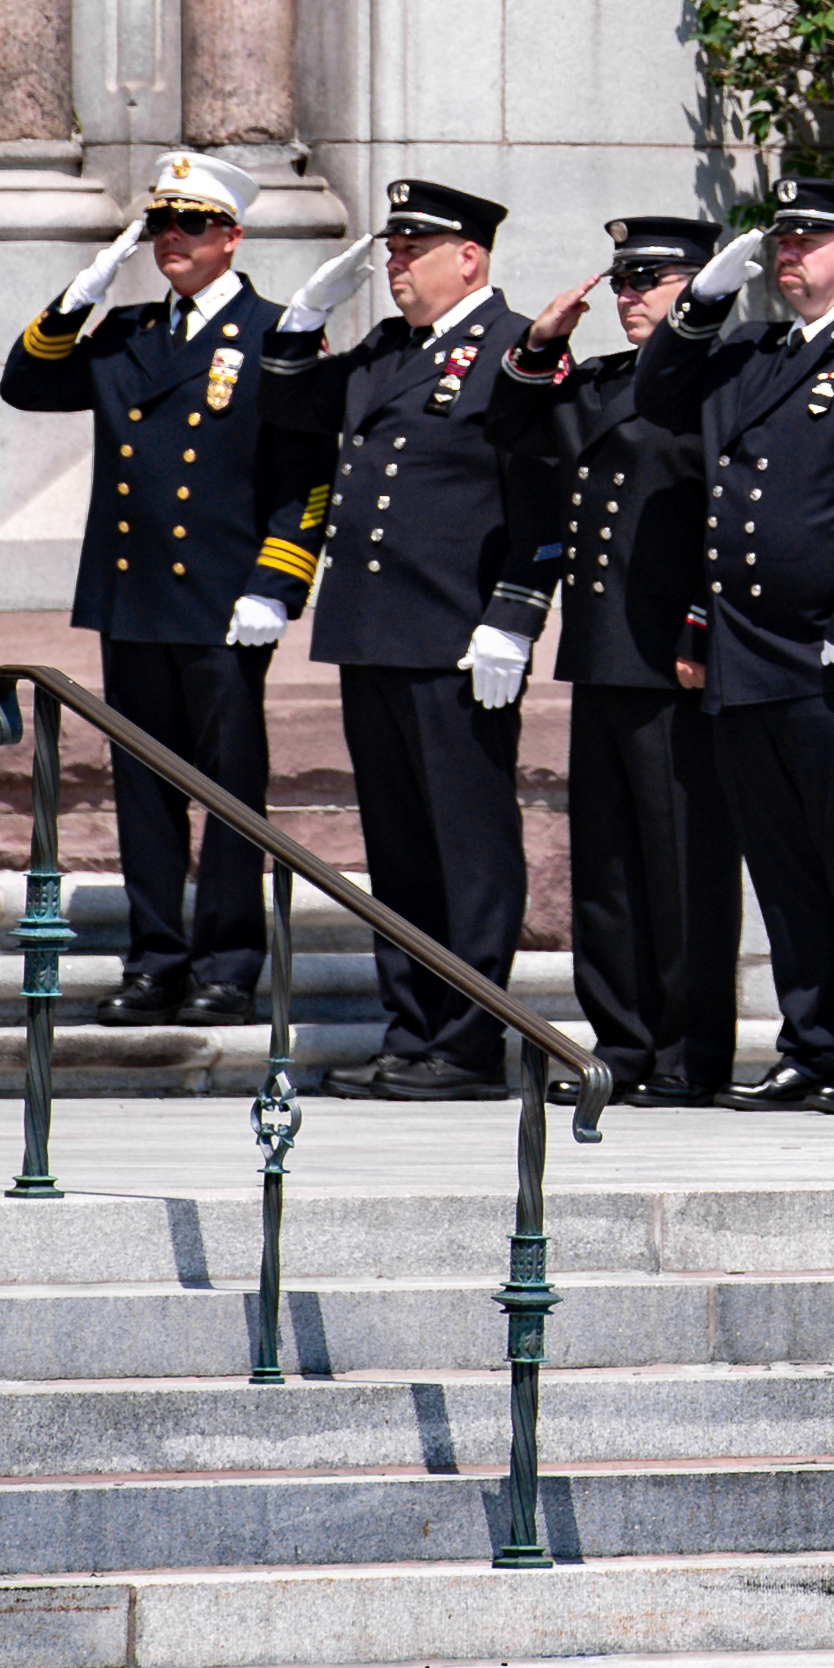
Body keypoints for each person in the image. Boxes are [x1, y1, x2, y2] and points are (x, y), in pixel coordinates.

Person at [634, 178, 834, 1115]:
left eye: (812, 239)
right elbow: (661, 398)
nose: (790, 254)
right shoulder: (759, 351)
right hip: (752, 649)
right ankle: (809, 1041)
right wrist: (695, 310)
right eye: (783, 239)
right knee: (784, 868)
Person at [0, 152, 328, 1029]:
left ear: (231, 237)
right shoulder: (125, 332)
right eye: (157, 228)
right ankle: (155, 961)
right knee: (142, 788)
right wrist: (80, 293)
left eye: (188, 226)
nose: (169, 241)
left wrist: (275, 586)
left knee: (225, 790)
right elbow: (25, 385)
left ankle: (225, 965)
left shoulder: (276, 332)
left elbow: (307, 476)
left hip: (224, 602)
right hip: (133, 595)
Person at [258, 179, 563, 1100]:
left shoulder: (515, 351)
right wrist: (302, 316)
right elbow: (289, 406)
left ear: (468, 257)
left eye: (412, 250)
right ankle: (413, 1028)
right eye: (391, 250)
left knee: (468, 849)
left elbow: (543, 495)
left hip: (455, 639)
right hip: (375, 631)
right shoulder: (389, 348)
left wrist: (512, 616)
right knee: (399, 850)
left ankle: (468, 1042)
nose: (395, 266)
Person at [487, 215, 744, 1105]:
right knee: (607, 865)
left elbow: (732, 518)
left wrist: (703, 629)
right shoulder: (599, 380)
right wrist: (537, 343)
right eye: (624, 283)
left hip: (671, 657)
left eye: (651, 281)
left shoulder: (724, 381)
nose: (631, 298)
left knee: (680, 868)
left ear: (701, 287)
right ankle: (621, 1043)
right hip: (600, 653)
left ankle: (685, 1053)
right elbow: (517, 429)